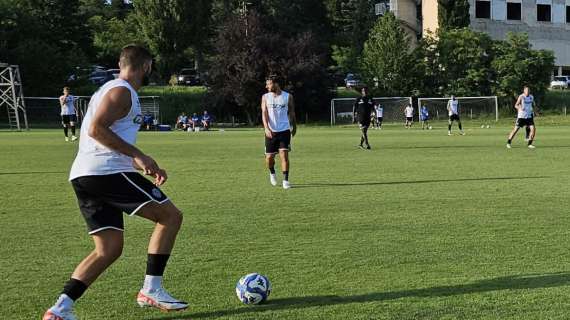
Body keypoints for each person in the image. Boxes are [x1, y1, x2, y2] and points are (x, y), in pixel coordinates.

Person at [43, 45, 187, 320]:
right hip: (105, 173)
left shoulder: (110, 89)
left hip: (87, 175)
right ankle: (151, 289)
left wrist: (145, 162)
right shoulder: (121, 91)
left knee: (108, 248)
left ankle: (60, 308)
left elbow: (105, 136)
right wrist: (138, 154)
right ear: (147, 66)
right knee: (170, 216)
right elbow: (97, 130)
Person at [261, 75, 297, 189]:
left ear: (276, 84)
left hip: (284, 131)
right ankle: (272, 173)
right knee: (269, 158)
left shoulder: (288, 96)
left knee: (284, 156)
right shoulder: (265, 97)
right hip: (271, 131)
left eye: (269, 84)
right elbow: (264, 113)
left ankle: (286, 181)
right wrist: (266, 128)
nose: (267, 86)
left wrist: (294, 126)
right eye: (267, 84)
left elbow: (292, 112)